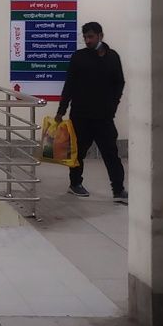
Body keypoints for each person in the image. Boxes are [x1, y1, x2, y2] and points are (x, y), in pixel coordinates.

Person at [55, 22, 128, 203]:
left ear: (100, 36)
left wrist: (113, 104)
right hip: (81, 115)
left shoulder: (112, 57)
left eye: (91, 36)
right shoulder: (79, 57)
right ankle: (75, 183)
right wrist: (61, 111)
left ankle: (118, 189)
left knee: (111, 153)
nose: (87, 40)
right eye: (85, 37)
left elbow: (119, 82)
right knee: (78, 153)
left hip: (104, 117)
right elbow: (69, 86)